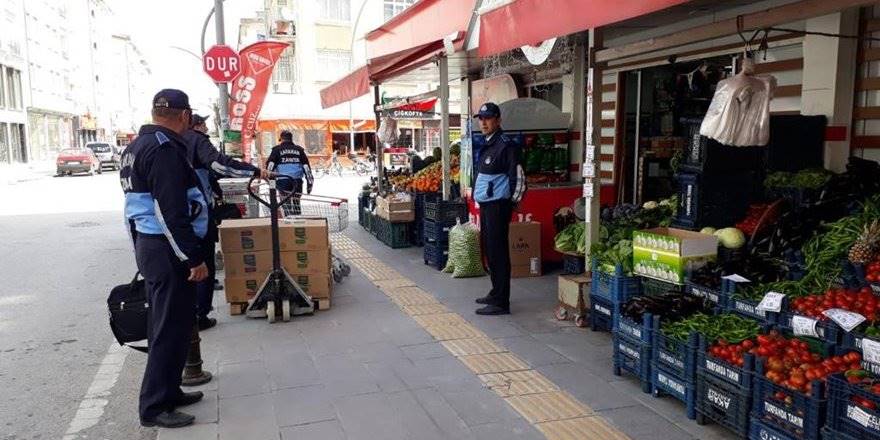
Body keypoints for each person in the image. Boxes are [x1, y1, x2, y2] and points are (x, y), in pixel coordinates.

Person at [119, 89, 209, 428]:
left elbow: (133, 210)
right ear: (185, 116)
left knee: (174, 324)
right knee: (168, 328)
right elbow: (170, 211)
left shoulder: (135, 147)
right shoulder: (164, 149)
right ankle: (155, 406)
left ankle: (170, 391)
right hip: (168, 248)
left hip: (153, 246)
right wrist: (192, 259)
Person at [182, 113, 268, 330]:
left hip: (176, 215)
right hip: (198, 214)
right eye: (205, 123)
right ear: (197, 124)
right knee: (203, 263)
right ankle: (199, 315)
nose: (207, 127)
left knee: (187, 264)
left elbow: (209, 173)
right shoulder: (197, 140)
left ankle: (187, 312)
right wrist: (255, 171)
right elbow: (219, 165)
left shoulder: (173, 140)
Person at [472, 102, 526, 316]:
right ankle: (495, 293)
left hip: (498, 207)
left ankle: (502, 302)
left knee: (499, 253)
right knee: (490, 251)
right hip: (487, 206)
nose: (483, 122)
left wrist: (510, 204)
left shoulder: (506, 146)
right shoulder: (488, 144)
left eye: (488, 118)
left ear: (498, 120)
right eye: (481, 118)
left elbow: (519, 178)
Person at [266, 130, 314, 215]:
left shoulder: (276, 150)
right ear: (291, 139)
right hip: (297, 181)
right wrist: (309, 184)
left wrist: (270, 181)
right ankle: (297, 223)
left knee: (285, 203)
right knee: (296, 204)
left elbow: (270, 166)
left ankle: (288, 223)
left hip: (283, 181)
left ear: (281, 139)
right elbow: (306, 168)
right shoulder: (299, 150)